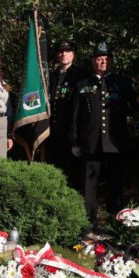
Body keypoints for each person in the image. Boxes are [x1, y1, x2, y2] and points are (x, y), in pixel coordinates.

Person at [70, 42, 135, 225]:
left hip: (114, 143)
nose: (103, 62)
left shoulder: (122, 83)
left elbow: (134, 109)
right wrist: (75, 141)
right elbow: (75, 117)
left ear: (112, 61)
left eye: (106, 59)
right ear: (93, 61)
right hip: (90, 143)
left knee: (115, 184)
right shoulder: (82, 84)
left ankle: (115, 223)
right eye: (99, 59)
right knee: (88, 186)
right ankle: (88, 223)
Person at [45, 40, 86, 188]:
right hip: (54, 131)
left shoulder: (80, 75)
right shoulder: (52, 76)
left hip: (71, 132)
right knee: (54, 171)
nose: (64, 54)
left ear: (73, 55)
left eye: (67, 51)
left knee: (72, 173)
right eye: (61, 51)